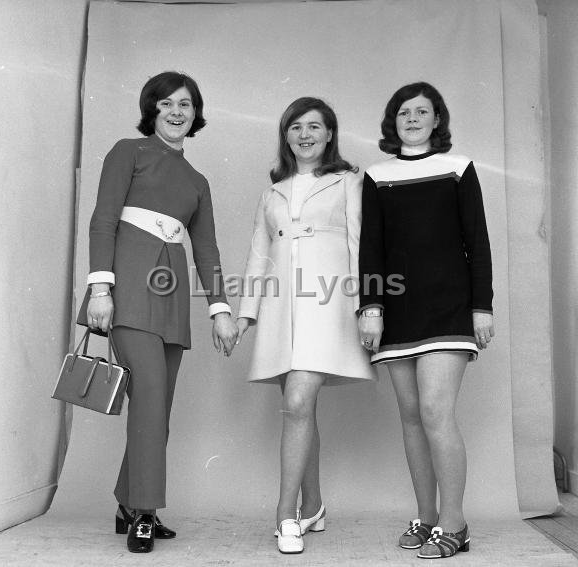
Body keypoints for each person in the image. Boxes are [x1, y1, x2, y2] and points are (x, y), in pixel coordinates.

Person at [76, 71, 238, 553]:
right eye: (166, 103)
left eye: (185, 104)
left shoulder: (198, 181)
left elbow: (206, 249)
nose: (176, 111)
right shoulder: (129, 151)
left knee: (157, 409)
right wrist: (100, 289)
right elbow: (103, 219)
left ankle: (129, 503)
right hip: (126, 294)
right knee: (148, 397)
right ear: (152, 110)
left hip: (171, 304)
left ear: (195, 114)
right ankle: (146, 511)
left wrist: (220, 310)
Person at [358, 82, 494, 559]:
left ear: (438, 120)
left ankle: (456, 523)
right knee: (412, 417)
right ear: (392, 121)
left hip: (450, 307)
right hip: (396, 312)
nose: (412, 118)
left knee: (436, 412)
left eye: (422, 112)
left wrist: (483, 307)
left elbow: (477, 241)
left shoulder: (458, 169)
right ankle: (427, 517)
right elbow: (370, 248)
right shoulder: (375, 176)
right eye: (403, 112)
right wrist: (370, 309)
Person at [236, 97, 374, 554]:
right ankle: (313, 504)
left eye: (315, 126)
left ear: (330, 134)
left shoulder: (348, 182)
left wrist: (367, 306)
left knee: (297, 402)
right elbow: (259, 253)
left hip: (328, 305)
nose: (305, 134)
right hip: (280, 309)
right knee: (301, 409)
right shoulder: (271, 192)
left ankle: (285, 515)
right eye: (296, 127)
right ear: (285, 135)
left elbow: (360, 243)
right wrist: (244, 313)